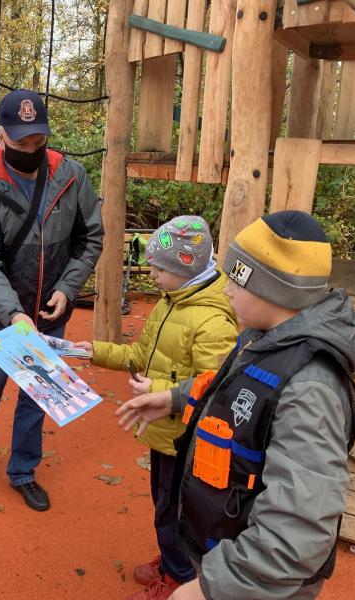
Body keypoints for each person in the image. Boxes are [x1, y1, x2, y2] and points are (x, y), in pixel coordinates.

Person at [115, 211, 355, 600]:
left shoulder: (310, 390)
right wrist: (176, 398)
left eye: (235, 279)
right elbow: (233, 390)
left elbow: (297, 531)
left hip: (254, 584)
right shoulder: (265, 337)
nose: (226, 289)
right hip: (228, 542)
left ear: (271, 289)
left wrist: (211, 588)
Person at [75, 216, 237, 600]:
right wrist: (95, 351)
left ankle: (179, 577)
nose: (151, 274)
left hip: (188, 439)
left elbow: (217, 388)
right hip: (164, 431)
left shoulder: (212, 321)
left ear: (185, 267)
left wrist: (160, 389)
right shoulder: (172, 302)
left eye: (159, 268)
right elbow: (140, 354)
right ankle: (172, 560)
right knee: (164, 505)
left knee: (172, 512)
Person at [0, 89, 104, 511]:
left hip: (49, 308)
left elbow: (90, 236)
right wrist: (12, 313)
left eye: (38, 141)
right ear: (1, 134)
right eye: (21, 143)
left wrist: (68, 287)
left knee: (38, 393)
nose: (30, 150)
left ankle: (23, 471)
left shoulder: (71, 174)